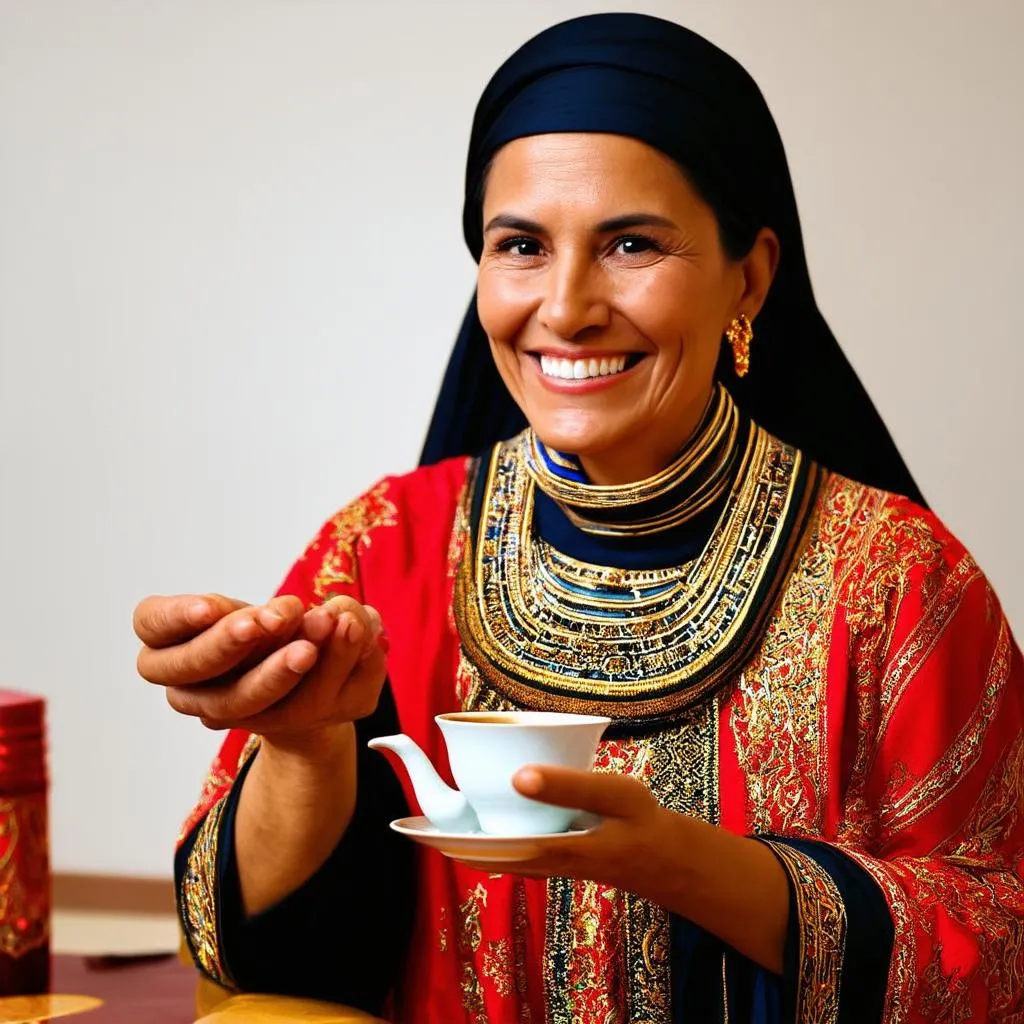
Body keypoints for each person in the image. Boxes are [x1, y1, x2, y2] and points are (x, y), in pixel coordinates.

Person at [136, 13, 1024, 1024]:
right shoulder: (382, 547)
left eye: (631, 243)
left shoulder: (897, 579)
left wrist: (677, 860)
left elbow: (997, 948)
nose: (563, 306)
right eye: (519, 245)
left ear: (751, 276)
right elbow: (252, 956)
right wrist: (303, 750)